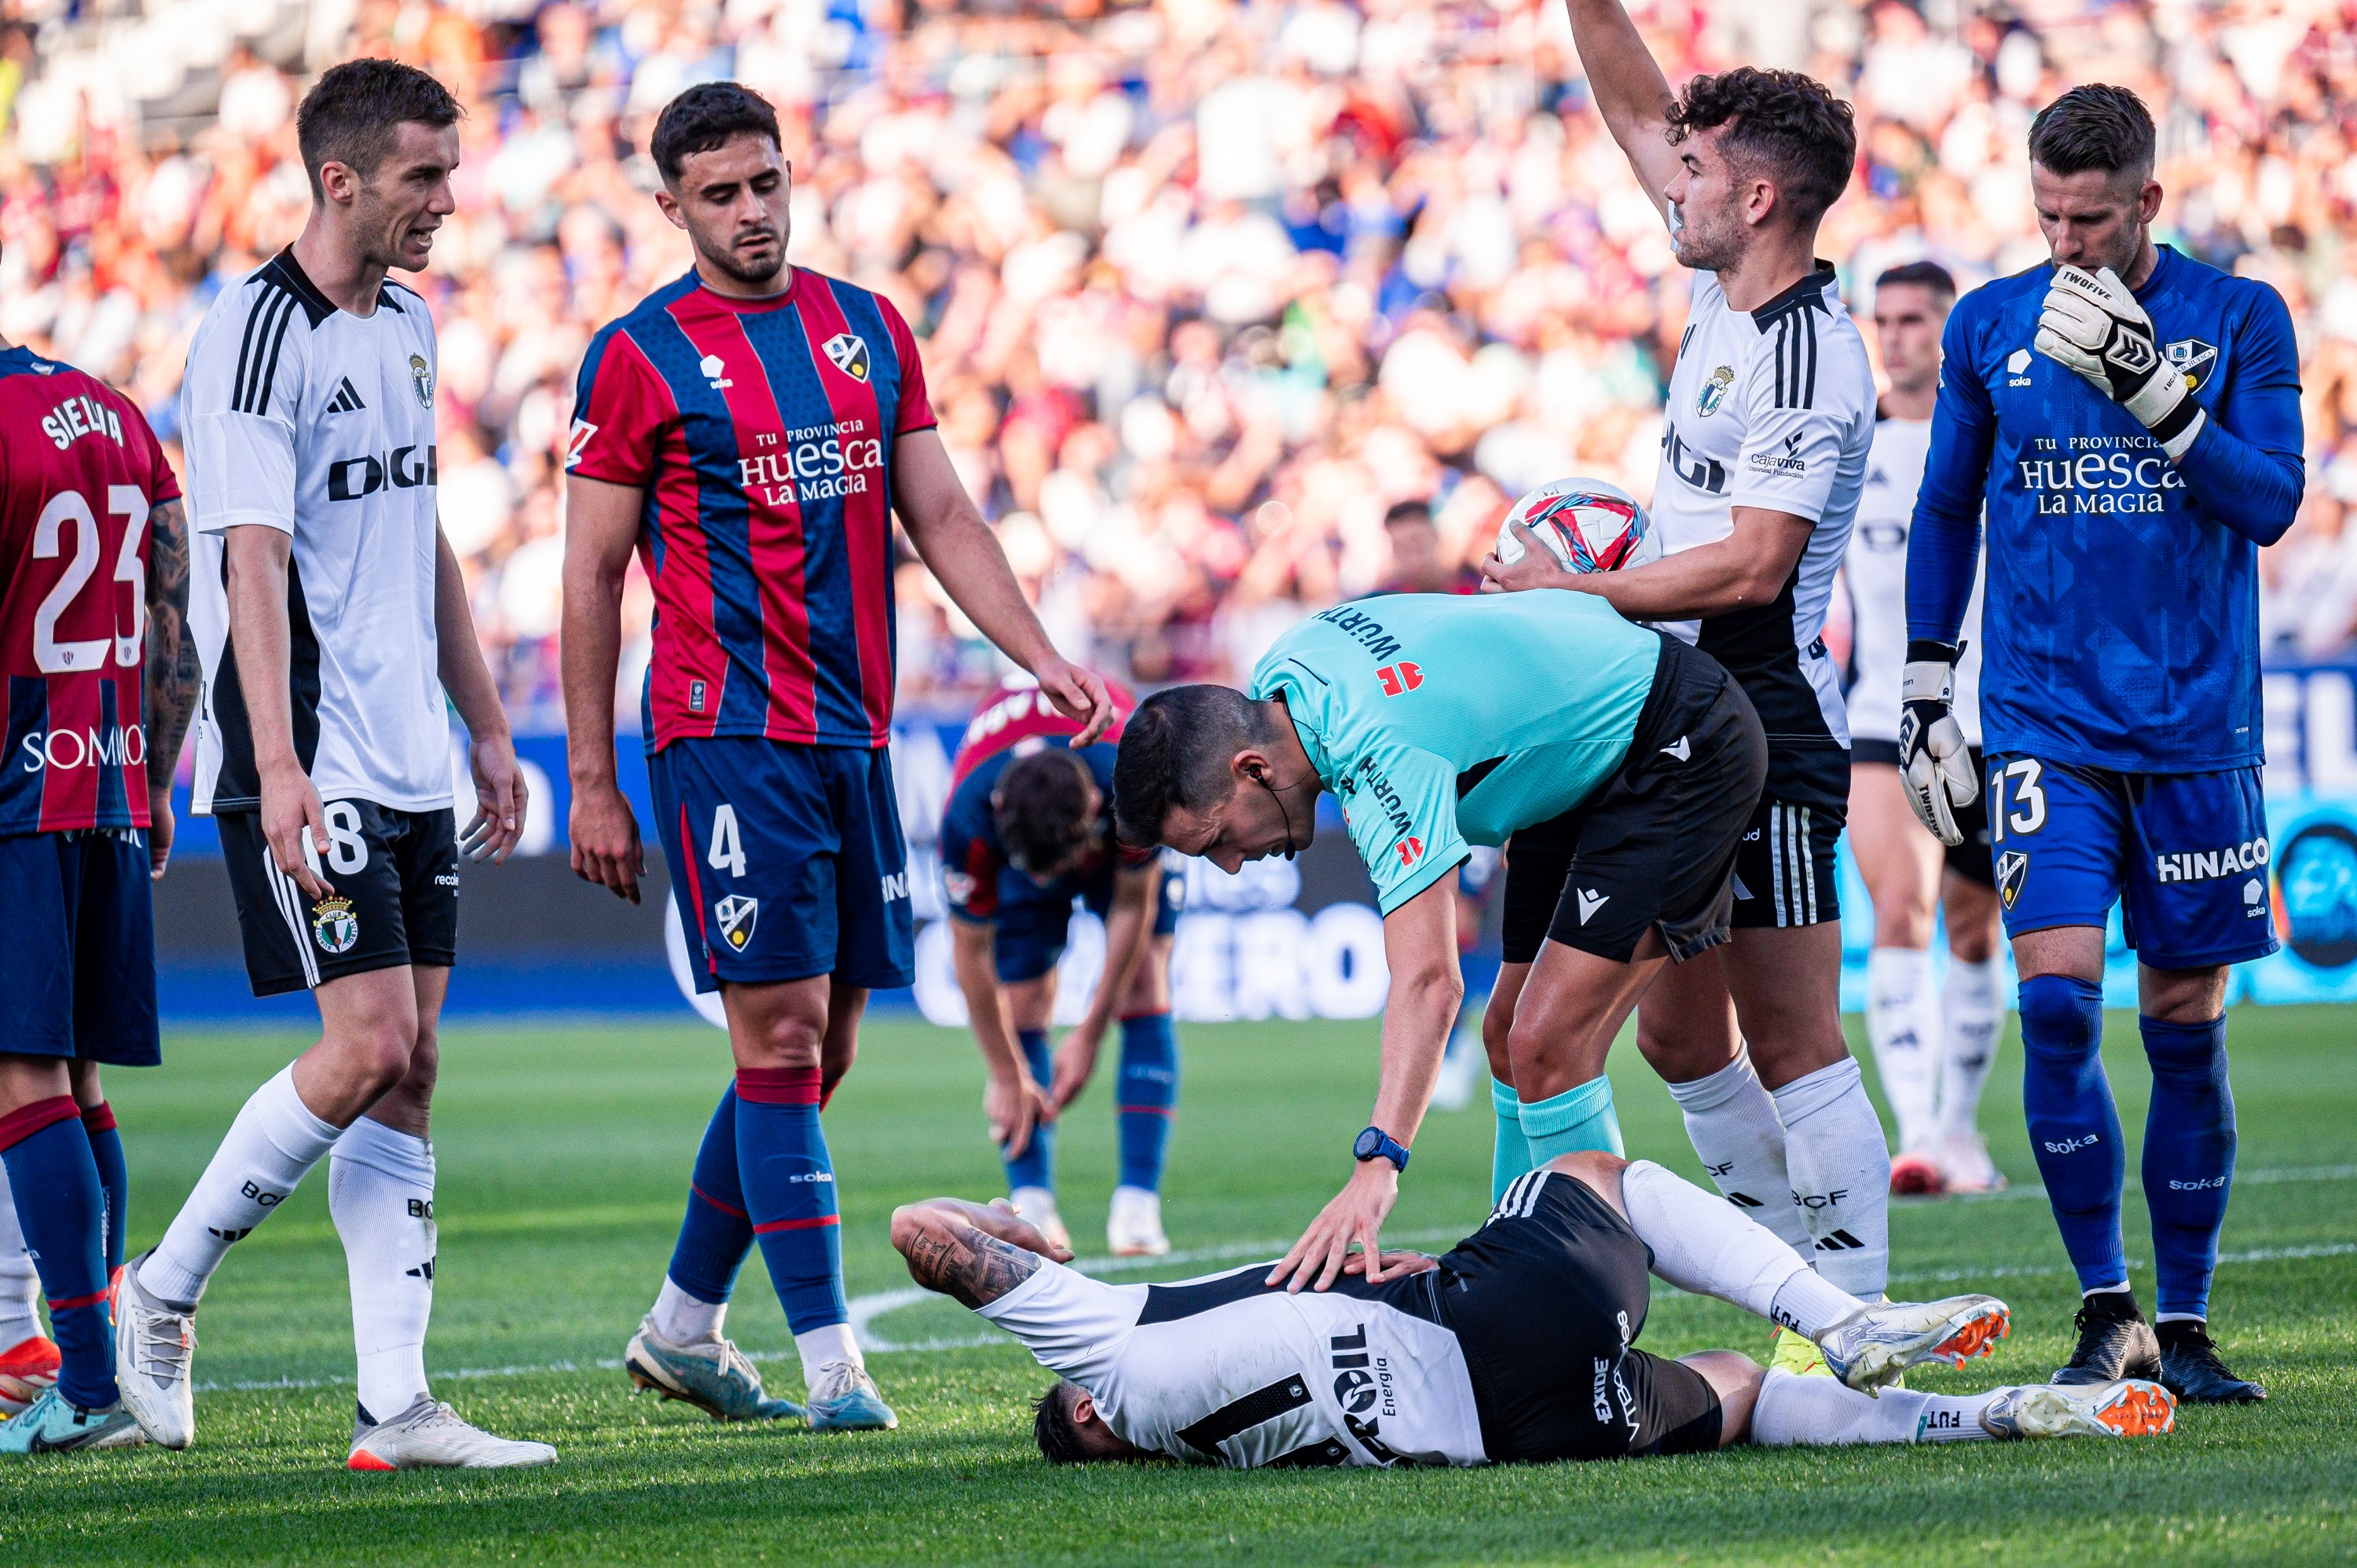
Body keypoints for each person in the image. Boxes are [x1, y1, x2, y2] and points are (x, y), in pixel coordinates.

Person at [561, 82, 1111, 1434]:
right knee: (786, 1033)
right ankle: (832, 1365)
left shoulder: (867, 328)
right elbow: (589, 575)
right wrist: (590, 778)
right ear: (672, 208)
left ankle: (681, 1327)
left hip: (854, 735)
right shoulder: (635, 356)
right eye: (721, 194)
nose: (752, 212)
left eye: (767, 183)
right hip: (726, 733)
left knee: (826, 1050)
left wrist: (1038, 654)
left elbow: (944, 514)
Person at [110, 60, 549, 1471]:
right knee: (365, 1044)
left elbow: (423, 535)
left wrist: (487, 723)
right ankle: (163, 1285)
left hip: (412, 752)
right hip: (311, 753)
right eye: (426, 174)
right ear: (341, 179)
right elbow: (250, 560)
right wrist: (278, 764)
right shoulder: (253, 334)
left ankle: (394, 1407)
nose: (448, 200)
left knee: (409, 1070)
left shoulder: (409, 323)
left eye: (451, 171)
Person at [1486, 5, 1891, 1376]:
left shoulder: (1810, 352)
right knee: (1675, 1037)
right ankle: (1795, 1294)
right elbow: (1634, 110)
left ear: (1759, 198)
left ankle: (1852, 1325)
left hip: (1762, 714)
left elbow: (1754, 565)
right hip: (1667, 708)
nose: (1673, 184)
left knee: (1791, 1036)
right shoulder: (1725, 295)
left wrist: (1569, 597)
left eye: (1699, 172)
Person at [1903, 86, 2302, 1402]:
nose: (2068, 242)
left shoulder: (2240, 317)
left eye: (2092, 219)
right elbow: (1947, 508)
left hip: (2196, 729)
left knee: (2184, 1024)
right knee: (2057, 1002)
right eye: (2049, 217)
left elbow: (2273, 501)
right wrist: (1927, 684)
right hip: (2044, 725)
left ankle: (2185, 1325)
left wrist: (2159, 399)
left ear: (2149, 202)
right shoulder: (1989, 323)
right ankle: (2105, 1307)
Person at [1113, 590, 1766, 1289]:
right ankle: (1514, 1285)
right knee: (1509, 1037)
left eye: (1217, 839)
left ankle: (1599, 1312)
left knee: (1552, 1045)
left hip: (1674, 739)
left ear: (1254, 770)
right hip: (1587, 761)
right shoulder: (1286, 671)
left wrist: (1380, 1159)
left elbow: (1430, 980)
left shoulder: (1377, 752)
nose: (1232, 865)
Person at [889, 1156, 2175, 1470]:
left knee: (1732, 1388)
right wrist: (1023, 1234)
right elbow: (918, 1229)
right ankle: (1842, 1317)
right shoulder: (1112, 1350)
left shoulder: (1182, 1438)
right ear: (1087, 1411)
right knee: (1591, 1175)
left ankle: (1991, 1413)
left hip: (1519, 1432)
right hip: (1481, 1325)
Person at [0, 323, 196, 1455]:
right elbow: (173, 622)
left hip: (14, 794)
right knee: (76, 1079)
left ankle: (82, 1380)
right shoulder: (114, 413)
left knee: (21, 1077)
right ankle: (100, 1356)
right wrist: (155, 779)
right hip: (108, 777)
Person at [1842, 261, 2007, 1197]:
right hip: (1885, 713)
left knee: (1976, 928)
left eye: (1915, 320)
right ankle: (1913, 1138)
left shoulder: (1992, 434)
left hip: (1996, 714)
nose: (1896, 337)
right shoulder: (1847, 445)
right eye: (1885, 320)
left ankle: (1958, 1126)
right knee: (1900, 909)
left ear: (1949, 330)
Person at [939, 678, 1184, 1258]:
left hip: (1106, 827)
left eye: (1056, 869)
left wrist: (1091, 1034)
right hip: (1041, 825)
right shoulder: (968, 818)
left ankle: (1138, 1207)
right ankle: (1034, 1206)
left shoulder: (1132, 783)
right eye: (1037, 871)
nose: (1050, 882)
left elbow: (1132, 906)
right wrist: (1005, 1072)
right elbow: (971, 956)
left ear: (1095, 810)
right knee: (1021, 1002)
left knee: (1145, 979)